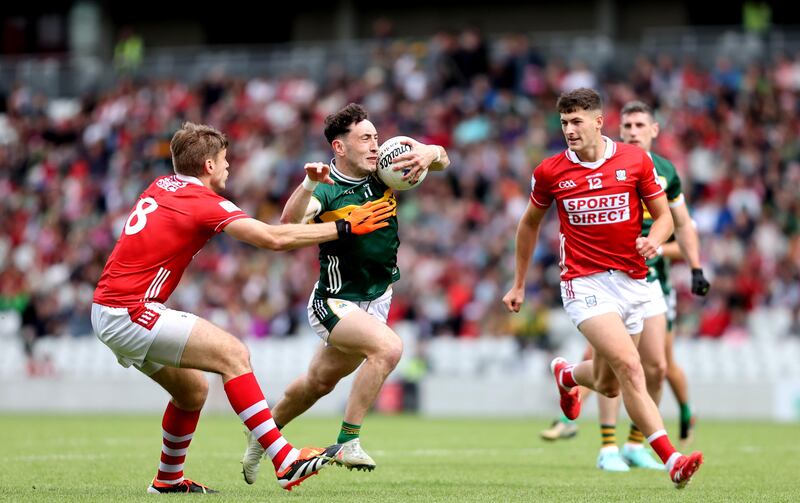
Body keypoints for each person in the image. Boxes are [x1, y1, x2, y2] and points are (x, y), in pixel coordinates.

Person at [91, 122, 393, 494]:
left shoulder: (163, 184)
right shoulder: (202, 202)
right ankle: (285, 460)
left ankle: (168, 480)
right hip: (131, 311)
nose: (229, 166)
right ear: (208, 167)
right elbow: (273, 238)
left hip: (110, 309)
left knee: (192, 393)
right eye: (224, 160)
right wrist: (344, 228)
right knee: (234, 355)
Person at [502, 88, 703, 489]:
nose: (569, 130)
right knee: (631, 367)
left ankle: (567, 375)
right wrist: (519, 282)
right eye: (564, 123)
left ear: (598, 121)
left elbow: (664, 218)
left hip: (633, 280)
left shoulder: (635, 160)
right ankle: (672, 460)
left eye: (577, 121)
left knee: (610, 382)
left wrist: (654, 241)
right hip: (583, 282)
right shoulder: (550, 171)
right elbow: (528, 224)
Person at [241, 103, 449, 482]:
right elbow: (288, 226)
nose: (375, 145)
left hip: (377, 298)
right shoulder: (327, 189)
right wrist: (308, 184)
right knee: (388, 349)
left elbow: (443, 161)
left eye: (375, 136)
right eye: (365, 138)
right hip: (334, 301)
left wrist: (430, 152)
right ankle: (348, 441)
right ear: (339, 147)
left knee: (317, 383)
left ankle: (261, 437)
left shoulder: (384, 172)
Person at [593, 100, 711, 472]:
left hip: (651, 278)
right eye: (626, 126)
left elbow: (683, 222)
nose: (631, 132)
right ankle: (607, 446)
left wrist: (695, 266)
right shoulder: (606, 163)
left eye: (639, 125)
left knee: (656, 366)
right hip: (608, 275)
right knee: (614, 366)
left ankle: (633, 444)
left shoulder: (665, 171)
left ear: (654, 130)